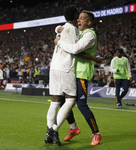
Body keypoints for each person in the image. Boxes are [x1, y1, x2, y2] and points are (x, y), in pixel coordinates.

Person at [46, 6, 102, 146]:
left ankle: (96, 133)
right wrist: (58, 29)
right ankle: (73, 128)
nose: (79, 19)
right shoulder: (79, 32)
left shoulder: (89, 35)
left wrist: (59, 40)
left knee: (81, 105)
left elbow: (75, 50)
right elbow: (66, 30)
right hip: (72, 71)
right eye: (79, 17)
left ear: (89, 22)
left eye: (82, 18)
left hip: (81, 73)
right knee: (65, 102)